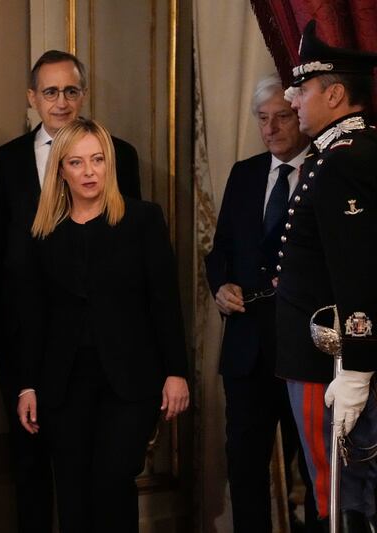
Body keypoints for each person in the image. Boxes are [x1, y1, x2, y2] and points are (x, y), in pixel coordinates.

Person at [0, 49, 141, 533]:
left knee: (96, 469)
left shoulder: (120, 156)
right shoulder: (8, 158)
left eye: (71, 90)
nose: (62, 101)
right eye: (50, 91)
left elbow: (131, 251)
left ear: (83, 94)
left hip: (97, 341)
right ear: (32, 99)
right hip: (24, 334)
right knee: (29, 462)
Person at [16, 117, 189, 533]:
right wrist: (27, 384)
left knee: (113, 481)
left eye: (97, 160)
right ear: (60, 169)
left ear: (109, 163)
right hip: (63, 382)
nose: (89, 171)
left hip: (130, 381)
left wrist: (176, 372)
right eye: (77, 162)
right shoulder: (43, 232)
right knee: (72, 491)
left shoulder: (143, 220)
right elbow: (32, 316)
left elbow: (164, 301)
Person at [205, 73, 317, 531]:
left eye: (282, 118)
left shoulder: (325, 172)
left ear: (302, 119)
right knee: (244, 468)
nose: (270, 128)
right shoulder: (245, 174)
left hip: (304, 351)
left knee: (313, 471)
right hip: (247, 349)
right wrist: (221, 287)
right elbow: (221, 251)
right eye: (262, 119)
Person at [278, 20, 377, 530]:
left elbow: (357, 270)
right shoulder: (333, 154)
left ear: (335, 93)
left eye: (304, 88)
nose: (293, 99)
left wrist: (358, 367)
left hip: (332, 359)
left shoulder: (348, 159)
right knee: (334, 491)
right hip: (314, 354)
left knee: (340, 497)